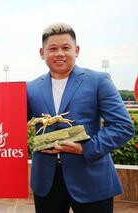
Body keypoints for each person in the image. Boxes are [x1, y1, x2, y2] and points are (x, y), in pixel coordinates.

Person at [26, 23, 135, 213]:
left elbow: (123, 126)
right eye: (52, 48)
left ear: (76, 50)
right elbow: (10, 122)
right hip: (46, 182)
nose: (59, 53)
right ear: (42, 52)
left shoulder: (98, 81)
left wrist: (85, 148)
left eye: (66, 48)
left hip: (91, 179)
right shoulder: (31, 88)